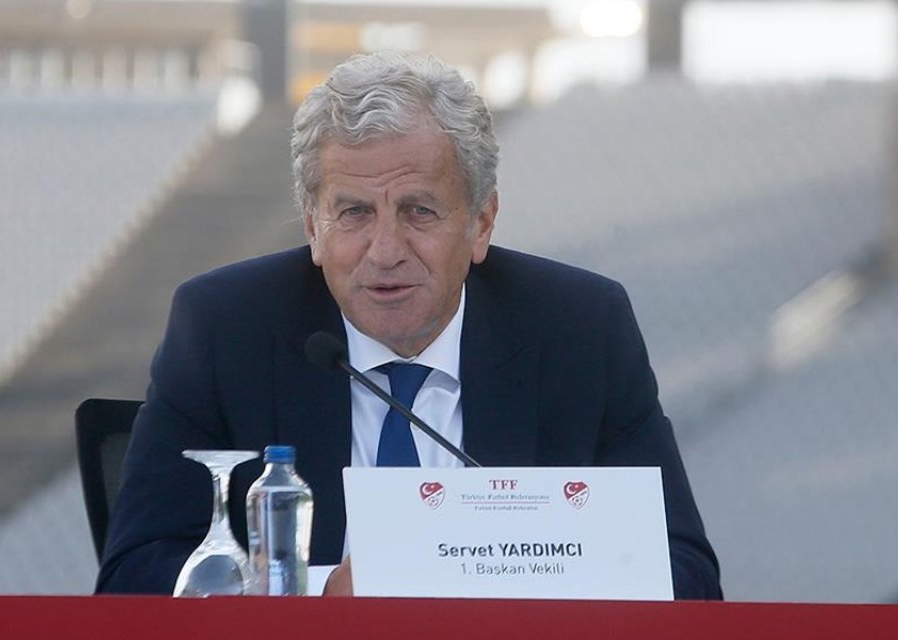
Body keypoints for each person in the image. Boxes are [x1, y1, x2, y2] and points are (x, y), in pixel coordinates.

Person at [96, 52, 722, 599]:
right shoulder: (225, 328)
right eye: (354, 213)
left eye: (418, 211)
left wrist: (517, 583)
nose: (386, 250)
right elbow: (133, 578)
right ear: (313, 227)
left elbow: (687, 576)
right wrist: (314, 597)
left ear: (480, 223)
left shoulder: (580, 330)